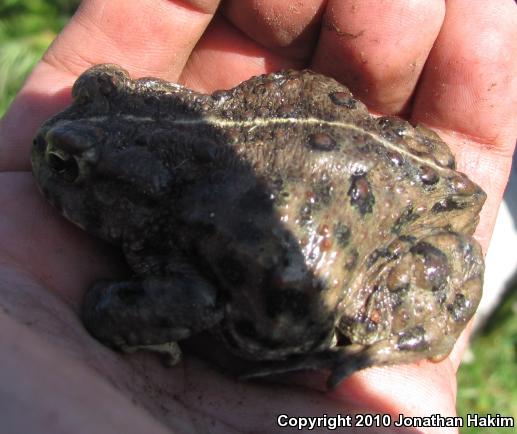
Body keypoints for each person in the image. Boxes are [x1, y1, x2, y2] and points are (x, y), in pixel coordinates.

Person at [0, 1, 515, 433]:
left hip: (392, 228)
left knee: (373, 309)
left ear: (122, 195)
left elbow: (192, 301)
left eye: (65, 165)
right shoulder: (173, 206)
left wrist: (104, 311)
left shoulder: (168, 223)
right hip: (373, 158)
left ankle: (404, 332)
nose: (46, 147)